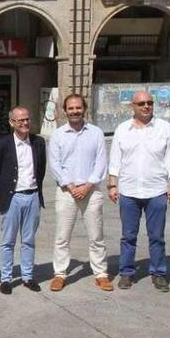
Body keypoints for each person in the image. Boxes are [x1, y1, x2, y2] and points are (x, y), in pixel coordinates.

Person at [108, 90, 170, 292]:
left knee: (156, 236)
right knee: (128, 236)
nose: (146, 106)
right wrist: (112, 184)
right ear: (132, 106)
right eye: (141, 103)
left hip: (156, 191)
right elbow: (115, 160)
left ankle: (158, 272)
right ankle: (127, 272)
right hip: (129, 191)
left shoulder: (164, 128)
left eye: (149, 102)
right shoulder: (123, 129)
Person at [47, 94, 112, 292]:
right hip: (66, 192)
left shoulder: (96, 133)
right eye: (71, 108)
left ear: (84, 109)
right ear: (64, 111)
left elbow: (101, 162)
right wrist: (71, 186)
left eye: (78, 108)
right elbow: (55, 164)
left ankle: (101, 274)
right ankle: (60, 274)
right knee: (62, 236)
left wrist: (87, 186)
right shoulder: (58, 135)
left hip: (91, 191)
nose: (75, 111)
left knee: (96, 236)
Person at [0, 106, 46, 294]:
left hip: (32, 195)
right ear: (11, 122)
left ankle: (27, 276)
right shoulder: (3, 144)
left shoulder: (38, 142)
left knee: (29, 240)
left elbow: (41, 169)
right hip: (12, 197)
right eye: (20, 120)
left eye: (27, 119)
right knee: (8, 240)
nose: (24, 123)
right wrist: (4, 192)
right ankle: (6, 278)